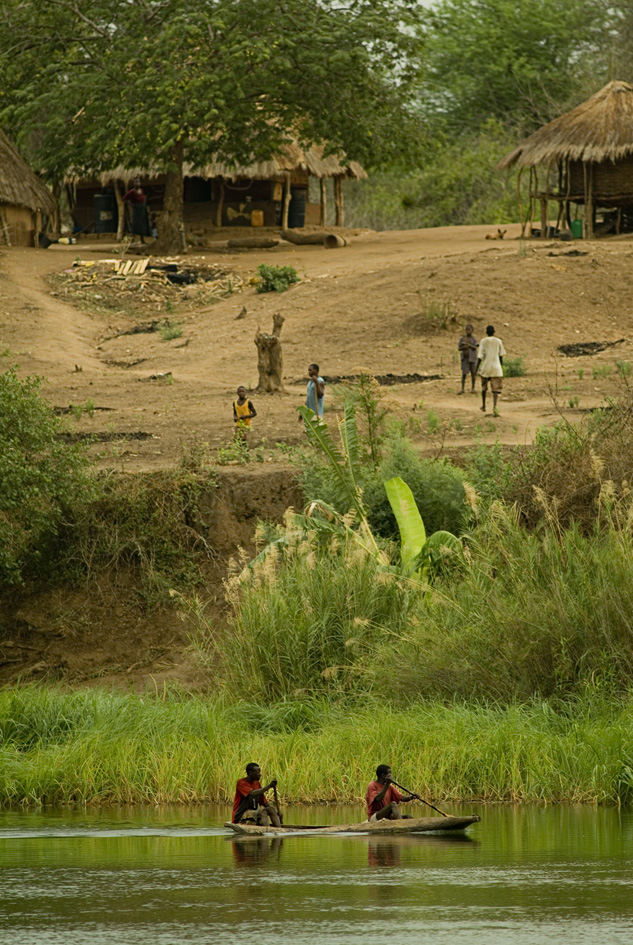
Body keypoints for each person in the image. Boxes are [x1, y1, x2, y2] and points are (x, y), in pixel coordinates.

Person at [477, 324, 506, 416]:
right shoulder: (498, 341)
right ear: (494, 332)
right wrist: (501, 366)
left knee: (484, 387)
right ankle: (494, 406)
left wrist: (477, 368)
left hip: (486, 367)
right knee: (495, 389)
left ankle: (484, 405)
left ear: (486, 332)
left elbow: (480, 356)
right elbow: (501, 355)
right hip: (496, 367)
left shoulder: (483, 341)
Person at [123, 178, 150, 244]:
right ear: (134, 184)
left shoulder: (141, 190)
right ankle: (132, 240)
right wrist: (132, 205)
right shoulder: (132, 192)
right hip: (136, 209)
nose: (137, 183)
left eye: (138, 182)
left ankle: (142, 239)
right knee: (135, 224)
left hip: (142, 208)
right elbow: (124, 199)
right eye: (136, 182)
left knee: (142, 224)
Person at [457, 324, 478, 394]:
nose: (467, 331)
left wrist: (468, 345)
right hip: (465, 359)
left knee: (473, 373)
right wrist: (463, 347)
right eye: (466, 330)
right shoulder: (463, 339)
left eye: (469, 330)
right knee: (464, 374)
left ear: (472, 331)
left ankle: (473, 388)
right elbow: (459, 348)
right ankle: (462, 388)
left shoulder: (473, 339)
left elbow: (475, 347)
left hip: (472, 358)